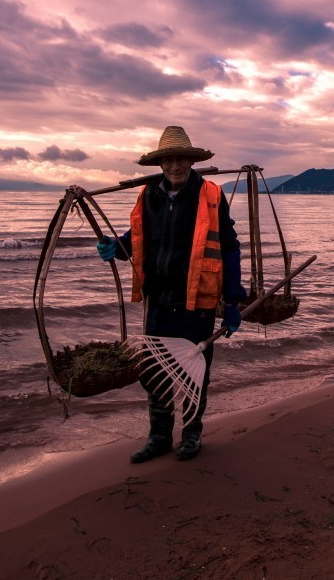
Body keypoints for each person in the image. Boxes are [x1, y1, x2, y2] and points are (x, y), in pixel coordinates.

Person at [96, 125, 245, 463]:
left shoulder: (210, 194)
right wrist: (115, 247)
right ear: (160, 163)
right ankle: (160, 436)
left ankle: (191, 435)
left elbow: (230, 247)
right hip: (158, 299)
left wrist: (234, 301)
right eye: (169, 160)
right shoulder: (149, 195)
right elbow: (138, 238)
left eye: (181, 160)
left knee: (195, 371)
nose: (175, 166)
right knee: (153, 370)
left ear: (191, 161)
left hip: (197, 300)